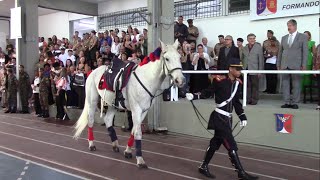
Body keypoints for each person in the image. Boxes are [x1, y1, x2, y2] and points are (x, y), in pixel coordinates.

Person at [186, 58, 258, 180]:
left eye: (240, 69)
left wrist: (242, 116)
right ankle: (241, 173)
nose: (240, 71)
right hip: (219, 117)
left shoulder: (238, 83)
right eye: (237, 69)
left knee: (215, 143)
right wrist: (194, 95)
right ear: (230, 69)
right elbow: (208, 92)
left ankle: (203, 166)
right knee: (231, 145)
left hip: (228, 119)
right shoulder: (219, 80)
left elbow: (236, 102)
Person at [277, 19, 308, 109]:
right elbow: (280, 52)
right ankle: (286, 102)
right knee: (285, 84)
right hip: (284, 64)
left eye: (290, 25)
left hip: (296, 64)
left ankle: (295, 102)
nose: (288, 27)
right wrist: (278, 64)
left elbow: (305, 52)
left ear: (295, 26)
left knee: (296, 84)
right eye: (288, 25)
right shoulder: (284, 37)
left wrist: (304, 64)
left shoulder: (302, 37)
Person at [242, 33, 264, 105]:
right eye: (250, 38)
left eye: (253, 38)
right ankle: (247, 99)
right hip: (246, 70)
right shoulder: (244, 48)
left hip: (255, 69)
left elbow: (261, 60)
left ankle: (254, 100)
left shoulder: (258, 47)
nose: (252, 40)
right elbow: (242, 59)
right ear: (247, 39)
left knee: (255, 86)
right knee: (247, 86)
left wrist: (260, 71)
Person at [314, 44, 320, 110]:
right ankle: (319, 104)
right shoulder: (318, 46)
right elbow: (315, 57)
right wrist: (314, 68)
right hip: (318, 69)